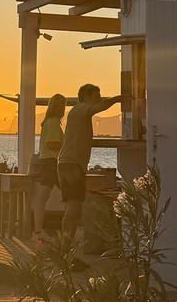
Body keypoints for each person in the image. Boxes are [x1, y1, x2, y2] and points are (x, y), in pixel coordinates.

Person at [56, 84, 122, 240]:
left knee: (74, 206)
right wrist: (119, 99)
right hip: (71, 163)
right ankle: (63, 244)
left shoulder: (77, 112)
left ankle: (67, 244)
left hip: (69, 163)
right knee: (74, 206)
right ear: (86, 96)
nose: (99, 99)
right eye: (96, 96)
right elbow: (100, 107)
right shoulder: (81, 109)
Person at [31, 93, 67, 244]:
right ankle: (69, 230)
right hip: (51, 163)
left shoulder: (48, 123)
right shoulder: (52, 123)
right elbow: (51, 144)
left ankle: (38, 231)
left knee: (43, 196)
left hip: (47, 162)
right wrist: (67, 145)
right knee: (69, 195)